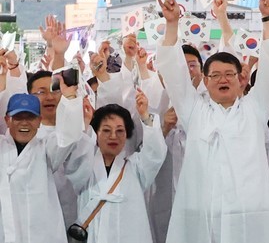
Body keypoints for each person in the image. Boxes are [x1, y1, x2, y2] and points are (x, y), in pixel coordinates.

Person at [155, 0, 269, 243]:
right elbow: (173, 71)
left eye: (229, 74)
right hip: (201, 216)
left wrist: (268, 20)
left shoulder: (255, 108)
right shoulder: (194, 110)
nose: (223, 79)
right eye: (215, 75)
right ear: (205, 80)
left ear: (241, 79)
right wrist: (171, 24)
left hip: (249, 216)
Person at [69, 93, 166, 242]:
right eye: (106, 130)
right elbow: (75, 162)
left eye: (120, 131)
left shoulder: (136, 167)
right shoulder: (85, 168)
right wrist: (86, 124)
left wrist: (145, 116)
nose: (113, 136)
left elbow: (156, 153)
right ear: (96, 134)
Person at [0, 70, 85, 243]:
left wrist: (69, 99)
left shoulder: (47, 149)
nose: (24, 123)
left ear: (39, 121)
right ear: (7, 120)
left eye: (30, 117)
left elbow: (67, 135)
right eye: (18, 117)